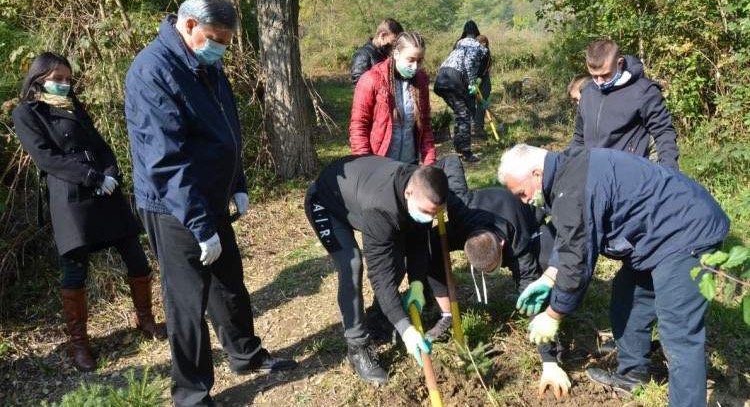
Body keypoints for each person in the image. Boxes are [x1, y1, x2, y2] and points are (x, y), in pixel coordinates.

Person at [124, 0, 295, 406]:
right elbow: (166, 160)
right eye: (216, 38)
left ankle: (245, 355)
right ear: (187, 26)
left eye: (226, 40)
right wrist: (200, 226)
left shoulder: (206, 64)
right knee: (187, 302)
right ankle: (192, 394)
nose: (221, 47)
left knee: (228, 284)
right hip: (172, 207)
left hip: (212, 196)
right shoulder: (153, 71)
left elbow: (226, 128)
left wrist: (237, 181)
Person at [498, 144, 729, 406]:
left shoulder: (573, 187)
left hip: (686, 234)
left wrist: (553, 315)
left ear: (536, 174)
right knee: (627, 296)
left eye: (521, 192)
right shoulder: (566, 173)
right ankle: (633, 373)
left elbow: (577, 262)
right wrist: (549, 277)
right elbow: (570, 236)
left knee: (679, 334)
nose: (524, 200)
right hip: (656, 237)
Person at [12, 52, 166, 372]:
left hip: (105, 191)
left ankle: (146, 320)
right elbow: (47, 159)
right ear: (39, 79)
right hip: (71, 196)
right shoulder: (27, 113)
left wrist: (111, 172)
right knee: (75, 270)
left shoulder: (73, 105)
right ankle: (79, 344)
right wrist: (91, 178)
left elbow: (100, 144)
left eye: (68, 79)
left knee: (136, 255)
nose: (64, 84)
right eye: (58, 79)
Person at [421, 162, 570, 399]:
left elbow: (529, 290)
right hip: (476, 222)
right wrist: (427, 171)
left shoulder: (517, 241)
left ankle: (559, 309)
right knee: (429, 246)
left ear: (501, 246)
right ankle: (445, 313)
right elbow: (451, 161)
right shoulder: (461, 211)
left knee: (545, 258)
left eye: (494, 268)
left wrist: (548, 360)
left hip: (527, 225)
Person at [304, 155, 448, 385]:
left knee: (396, 261)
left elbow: (419, 243)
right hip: (327, 202)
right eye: (426, 212)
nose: (429, 218)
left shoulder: (424, 188)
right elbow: (380, 276)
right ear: (409, 194)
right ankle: (357, 346)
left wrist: (418, 284)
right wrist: (406, 328)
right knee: (351, 264)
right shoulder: (381, 208)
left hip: (359, 196)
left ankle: (380, 317)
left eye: (434, 214)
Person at [572, 39, 679, 169]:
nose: (599, 82)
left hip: (628, 175)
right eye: (594, 76)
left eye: (605, 75)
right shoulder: (588, 92)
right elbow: (579, 136)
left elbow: (663, 132)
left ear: (619, 63)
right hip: (593, 174)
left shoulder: (643, 91)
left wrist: (668, 172)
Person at [349, 32, 436, 166]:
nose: (415, 66)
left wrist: (430, 163)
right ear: (396, 54)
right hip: (379, 166)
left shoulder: (421, 81)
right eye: (411, 60)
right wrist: (365, 166)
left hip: (409, 164)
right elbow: (358, 127)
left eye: (419, 61)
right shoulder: (372, 79)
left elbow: (425, 126)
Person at [433, 20, 489, 163]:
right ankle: (466, 152)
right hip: (453, 79)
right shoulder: (478, 47)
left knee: (461, 112)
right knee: (465, 115)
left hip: (441, 78)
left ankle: (460, 148)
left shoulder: (459, 43)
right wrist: (472, 82)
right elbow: (470, 65)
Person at [350, 18, 403, 86]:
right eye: (393, 41)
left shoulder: (384, 53)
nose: (394, 45)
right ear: (382, 35)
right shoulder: (362, 55)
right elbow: (359, 85)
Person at [474, 34, 492, 140]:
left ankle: (479, 129)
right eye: (480, 43)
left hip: (484, 81)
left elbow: (484, 68)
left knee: (482, 104)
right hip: (473, 82)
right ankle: (474, 127)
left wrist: (479, 79)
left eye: (484, 43)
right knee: (472, 104)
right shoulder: (473, 52)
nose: (483, 45)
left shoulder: (487, 53)